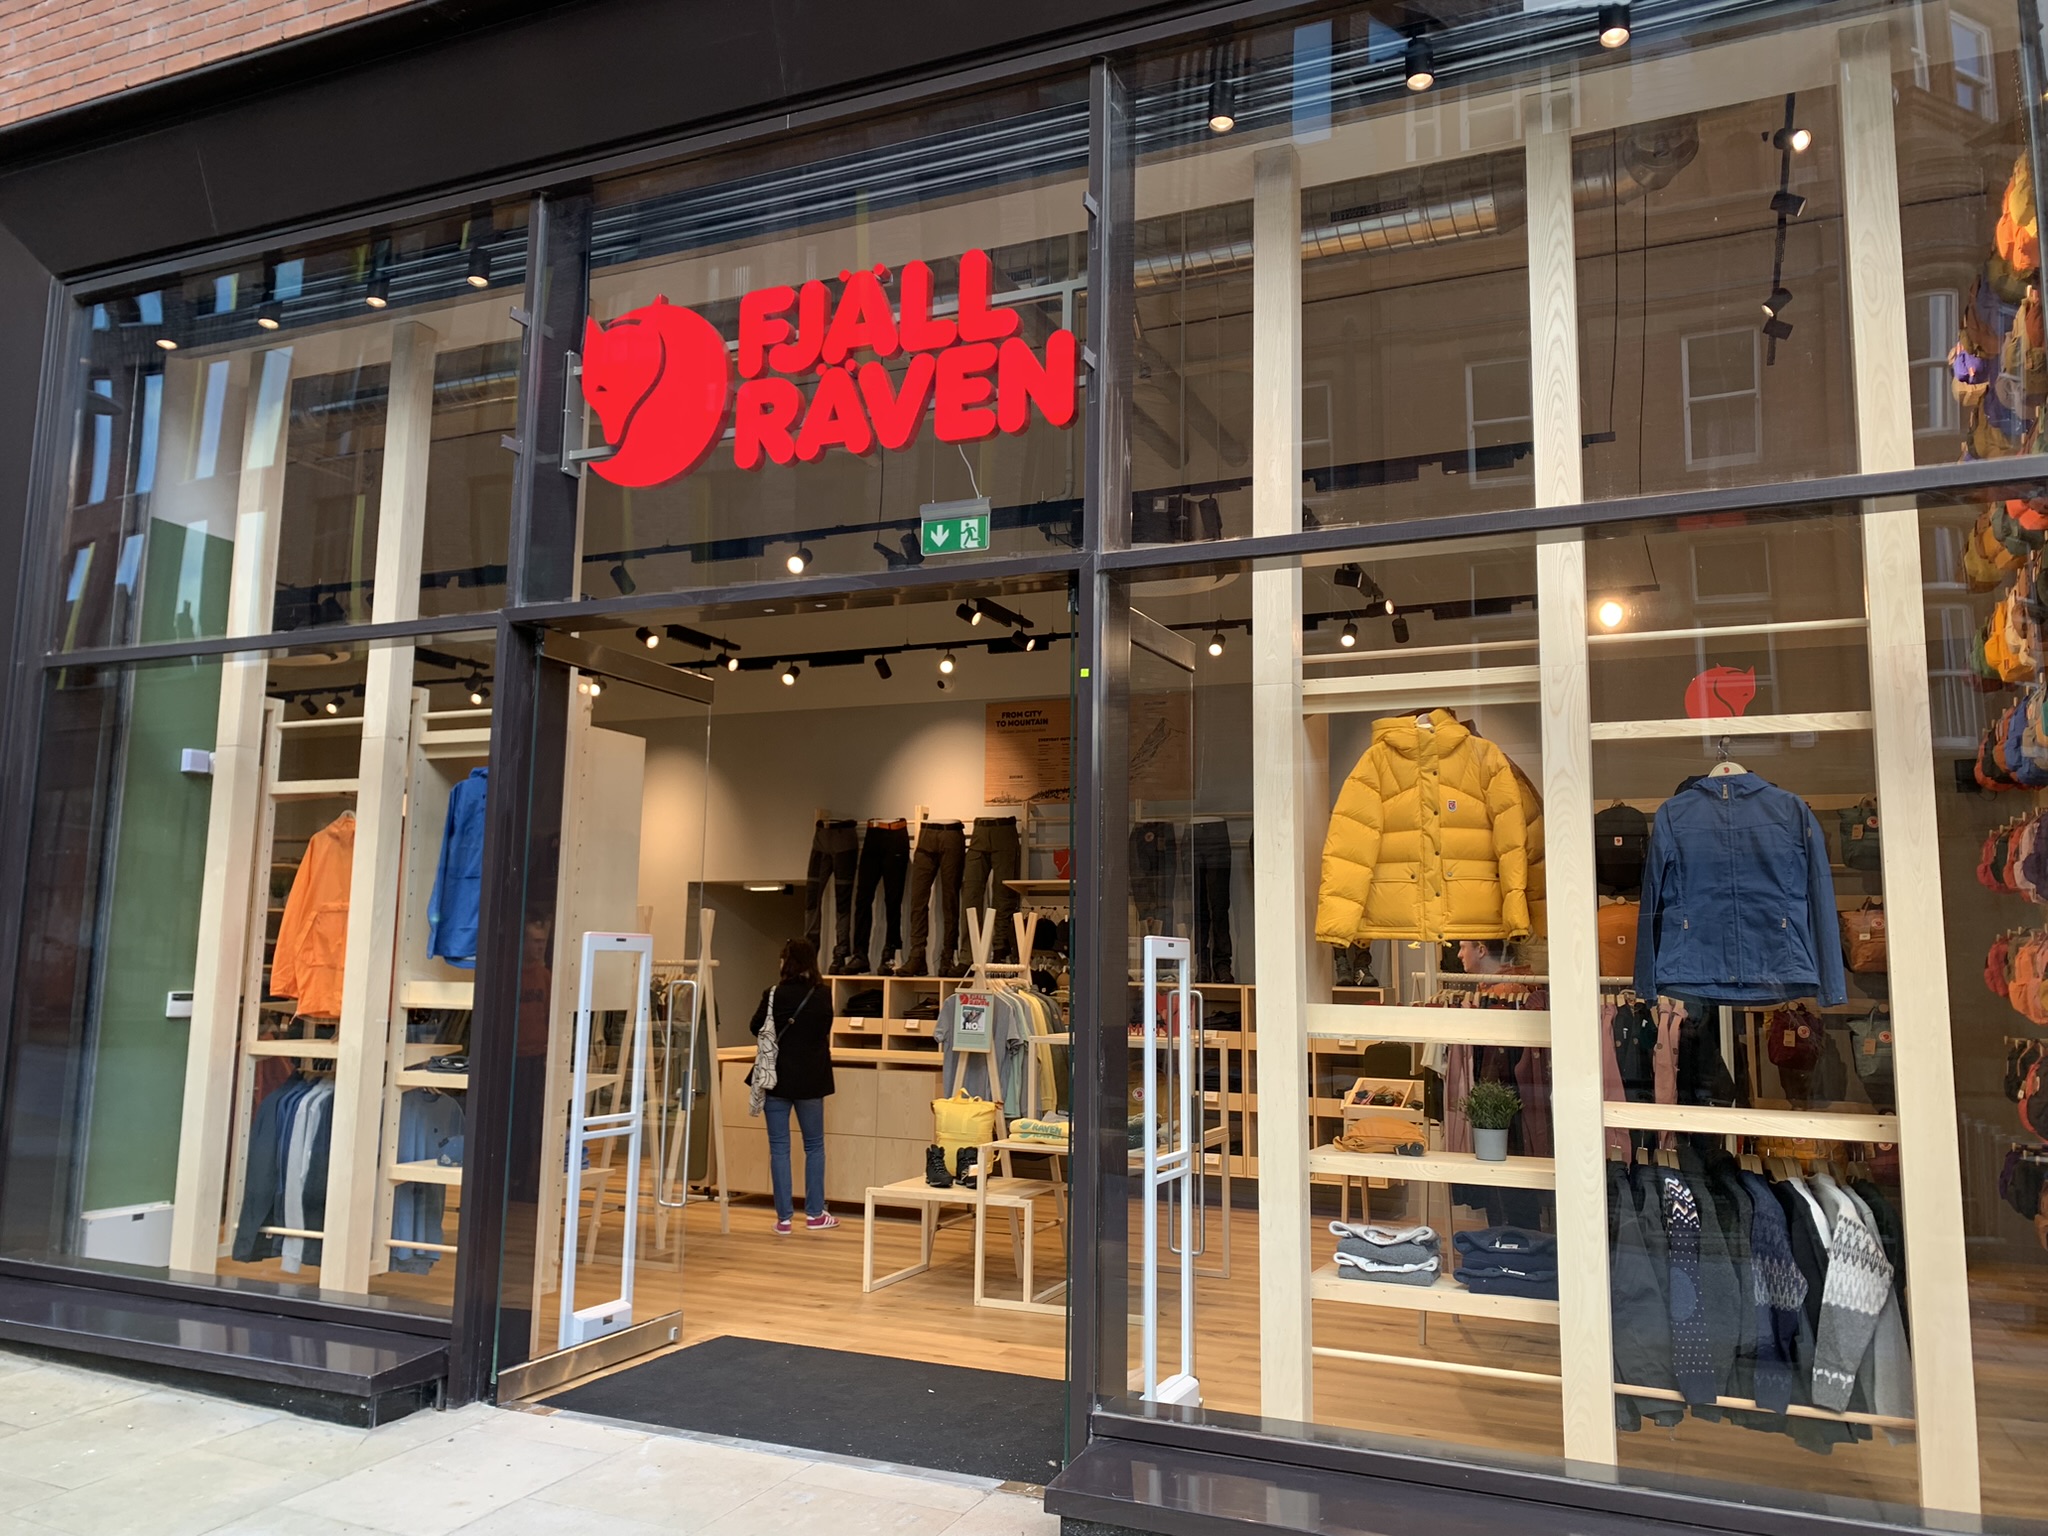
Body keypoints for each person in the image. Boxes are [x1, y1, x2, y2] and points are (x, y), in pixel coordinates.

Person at [748, 938, 838, 1233]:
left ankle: (784, 1219)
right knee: (814, 1146)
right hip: (812, 1079)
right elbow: (824, 1030)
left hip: (777, 1078)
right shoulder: (823, 994)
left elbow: (755, 1026)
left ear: (787, 961)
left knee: (779, 1148)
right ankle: (815, 1215)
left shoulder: (773, 993)